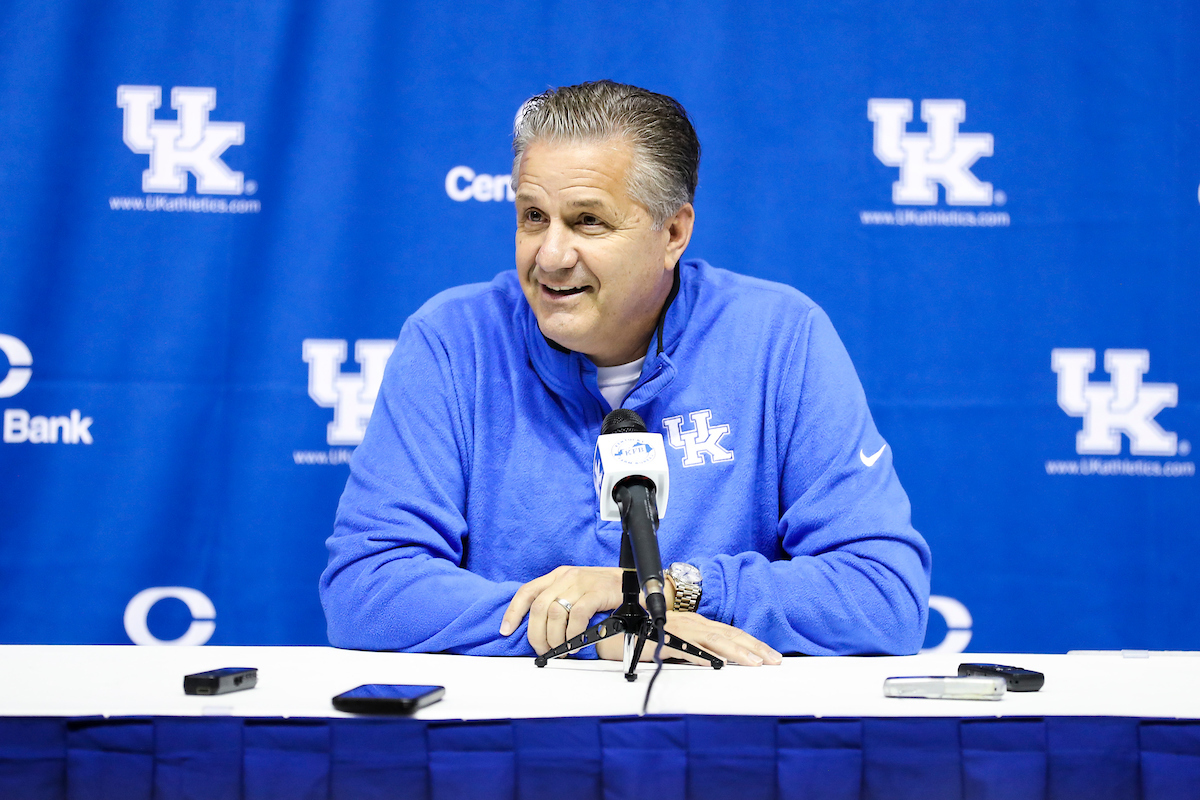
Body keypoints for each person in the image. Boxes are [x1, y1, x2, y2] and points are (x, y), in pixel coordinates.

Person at [321, 81, 931, 664]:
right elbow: (367, 588)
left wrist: (669, 593)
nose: (551, 256)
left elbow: (884, 594)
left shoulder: (780, 337)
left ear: (673, 232)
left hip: (716, 734)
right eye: (534, 217)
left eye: (588, 221)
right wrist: (595, 632)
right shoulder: (452, 341)